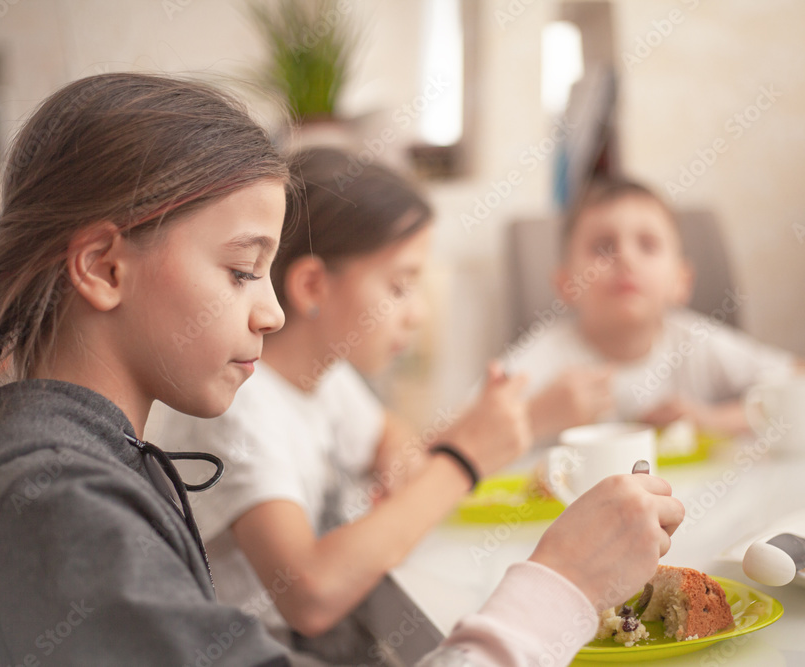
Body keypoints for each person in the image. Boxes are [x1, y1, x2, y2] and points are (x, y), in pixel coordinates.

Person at [0, 73, 684, 666]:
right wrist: (563, 584)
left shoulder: (46, 459)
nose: (271, 314)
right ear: (104, 267)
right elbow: (309, 591)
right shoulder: (60, 507)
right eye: (242, 269)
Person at [150, 147, 537, 660]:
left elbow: (388, 436)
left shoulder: (325, 376)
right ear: (312, 285)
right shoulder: (239, 405)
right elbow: (308, 592)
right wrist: (463, 461)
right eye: (400, 286)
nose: (417, 313)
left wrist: (405, 472)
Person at [506, 179, 805, 441]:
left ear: (681, 281)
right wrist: (537, 416)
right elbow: (455, 442)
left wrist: (713, 420)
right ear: (566, 284)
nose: (626, 259)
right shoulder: (548, 356)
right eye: (603, 247)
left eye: (647, 245)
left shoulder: (698, 344)